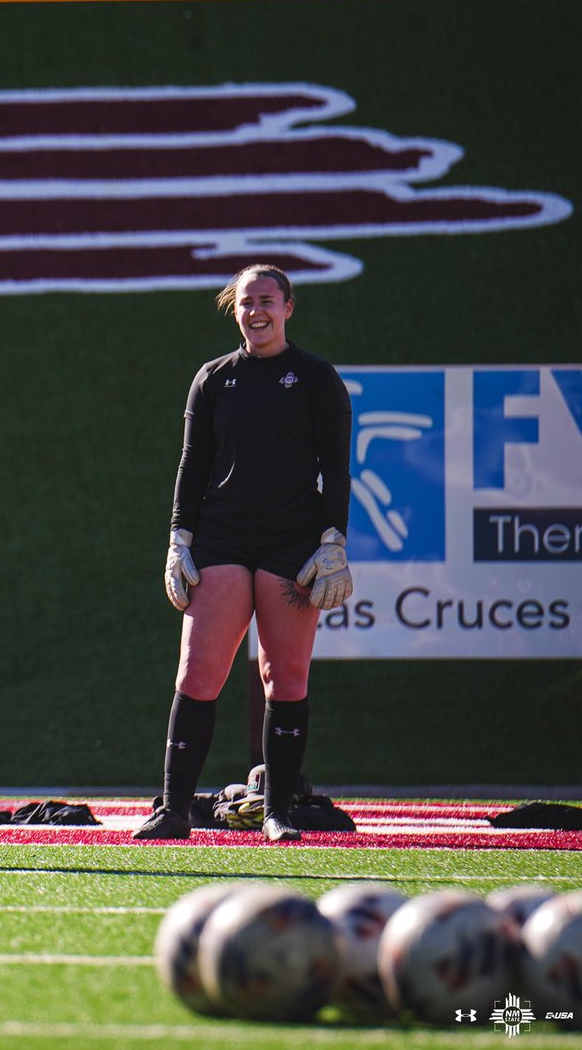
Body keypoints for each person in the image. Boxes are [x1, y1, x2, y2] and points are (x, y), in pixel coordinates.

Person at [134, 264, 352, 844]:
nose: (256, 311)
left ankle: (278, 811)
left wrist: (333, 541)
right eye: (246, 301)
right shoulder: (213, 378)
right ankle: (174, 810)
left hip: (292, 542)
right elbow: (192, 465)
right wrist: (179, 539)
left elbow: (336, 467)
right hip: (222, 539)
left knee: (286, 676)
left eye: (267, 300)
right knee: (198, 671)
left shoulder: (316, 378)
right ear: (234, 308)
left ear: (288, 307)